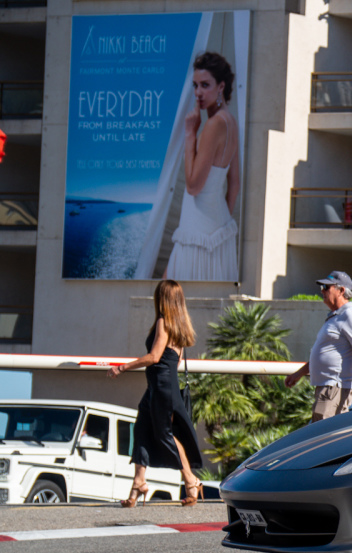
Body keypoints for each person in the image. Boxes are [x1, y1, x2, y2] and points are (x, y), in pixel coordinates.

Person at [108, 279, 203, 507]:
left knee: (165, 435)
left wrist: (122, 367)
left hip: (161, 387)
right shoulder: (179, 325)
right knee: (141, 429)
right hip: (159, 387)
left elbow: (154, 357)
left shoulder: (163, 322)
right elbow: (176, 361)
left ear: (162, 299)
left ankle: (190, 480)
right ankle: (139, 483)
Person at [166, 52, 240, 281]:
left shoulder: (213, 125)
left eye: (205, 85)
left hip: (198, 232)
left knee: (170, 300)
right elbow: (234, 183)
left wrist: (190, 134)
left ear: (221, 86)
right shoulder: (230, 122)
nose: (198, 92)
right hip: (216, 231)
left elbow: (193, 186)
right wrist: (220, 224)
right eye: (195, 85)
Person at [285, 271, 352, 420]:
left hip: (334, 387)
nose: (322, 291)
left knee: (321, 437)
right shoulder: (335, 317)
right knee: (324, 435)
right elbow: (327, 353)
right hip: (328, 387)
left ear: (341, 290)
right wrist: (299, 374)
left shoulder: (350, 316)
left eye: (326, 287)